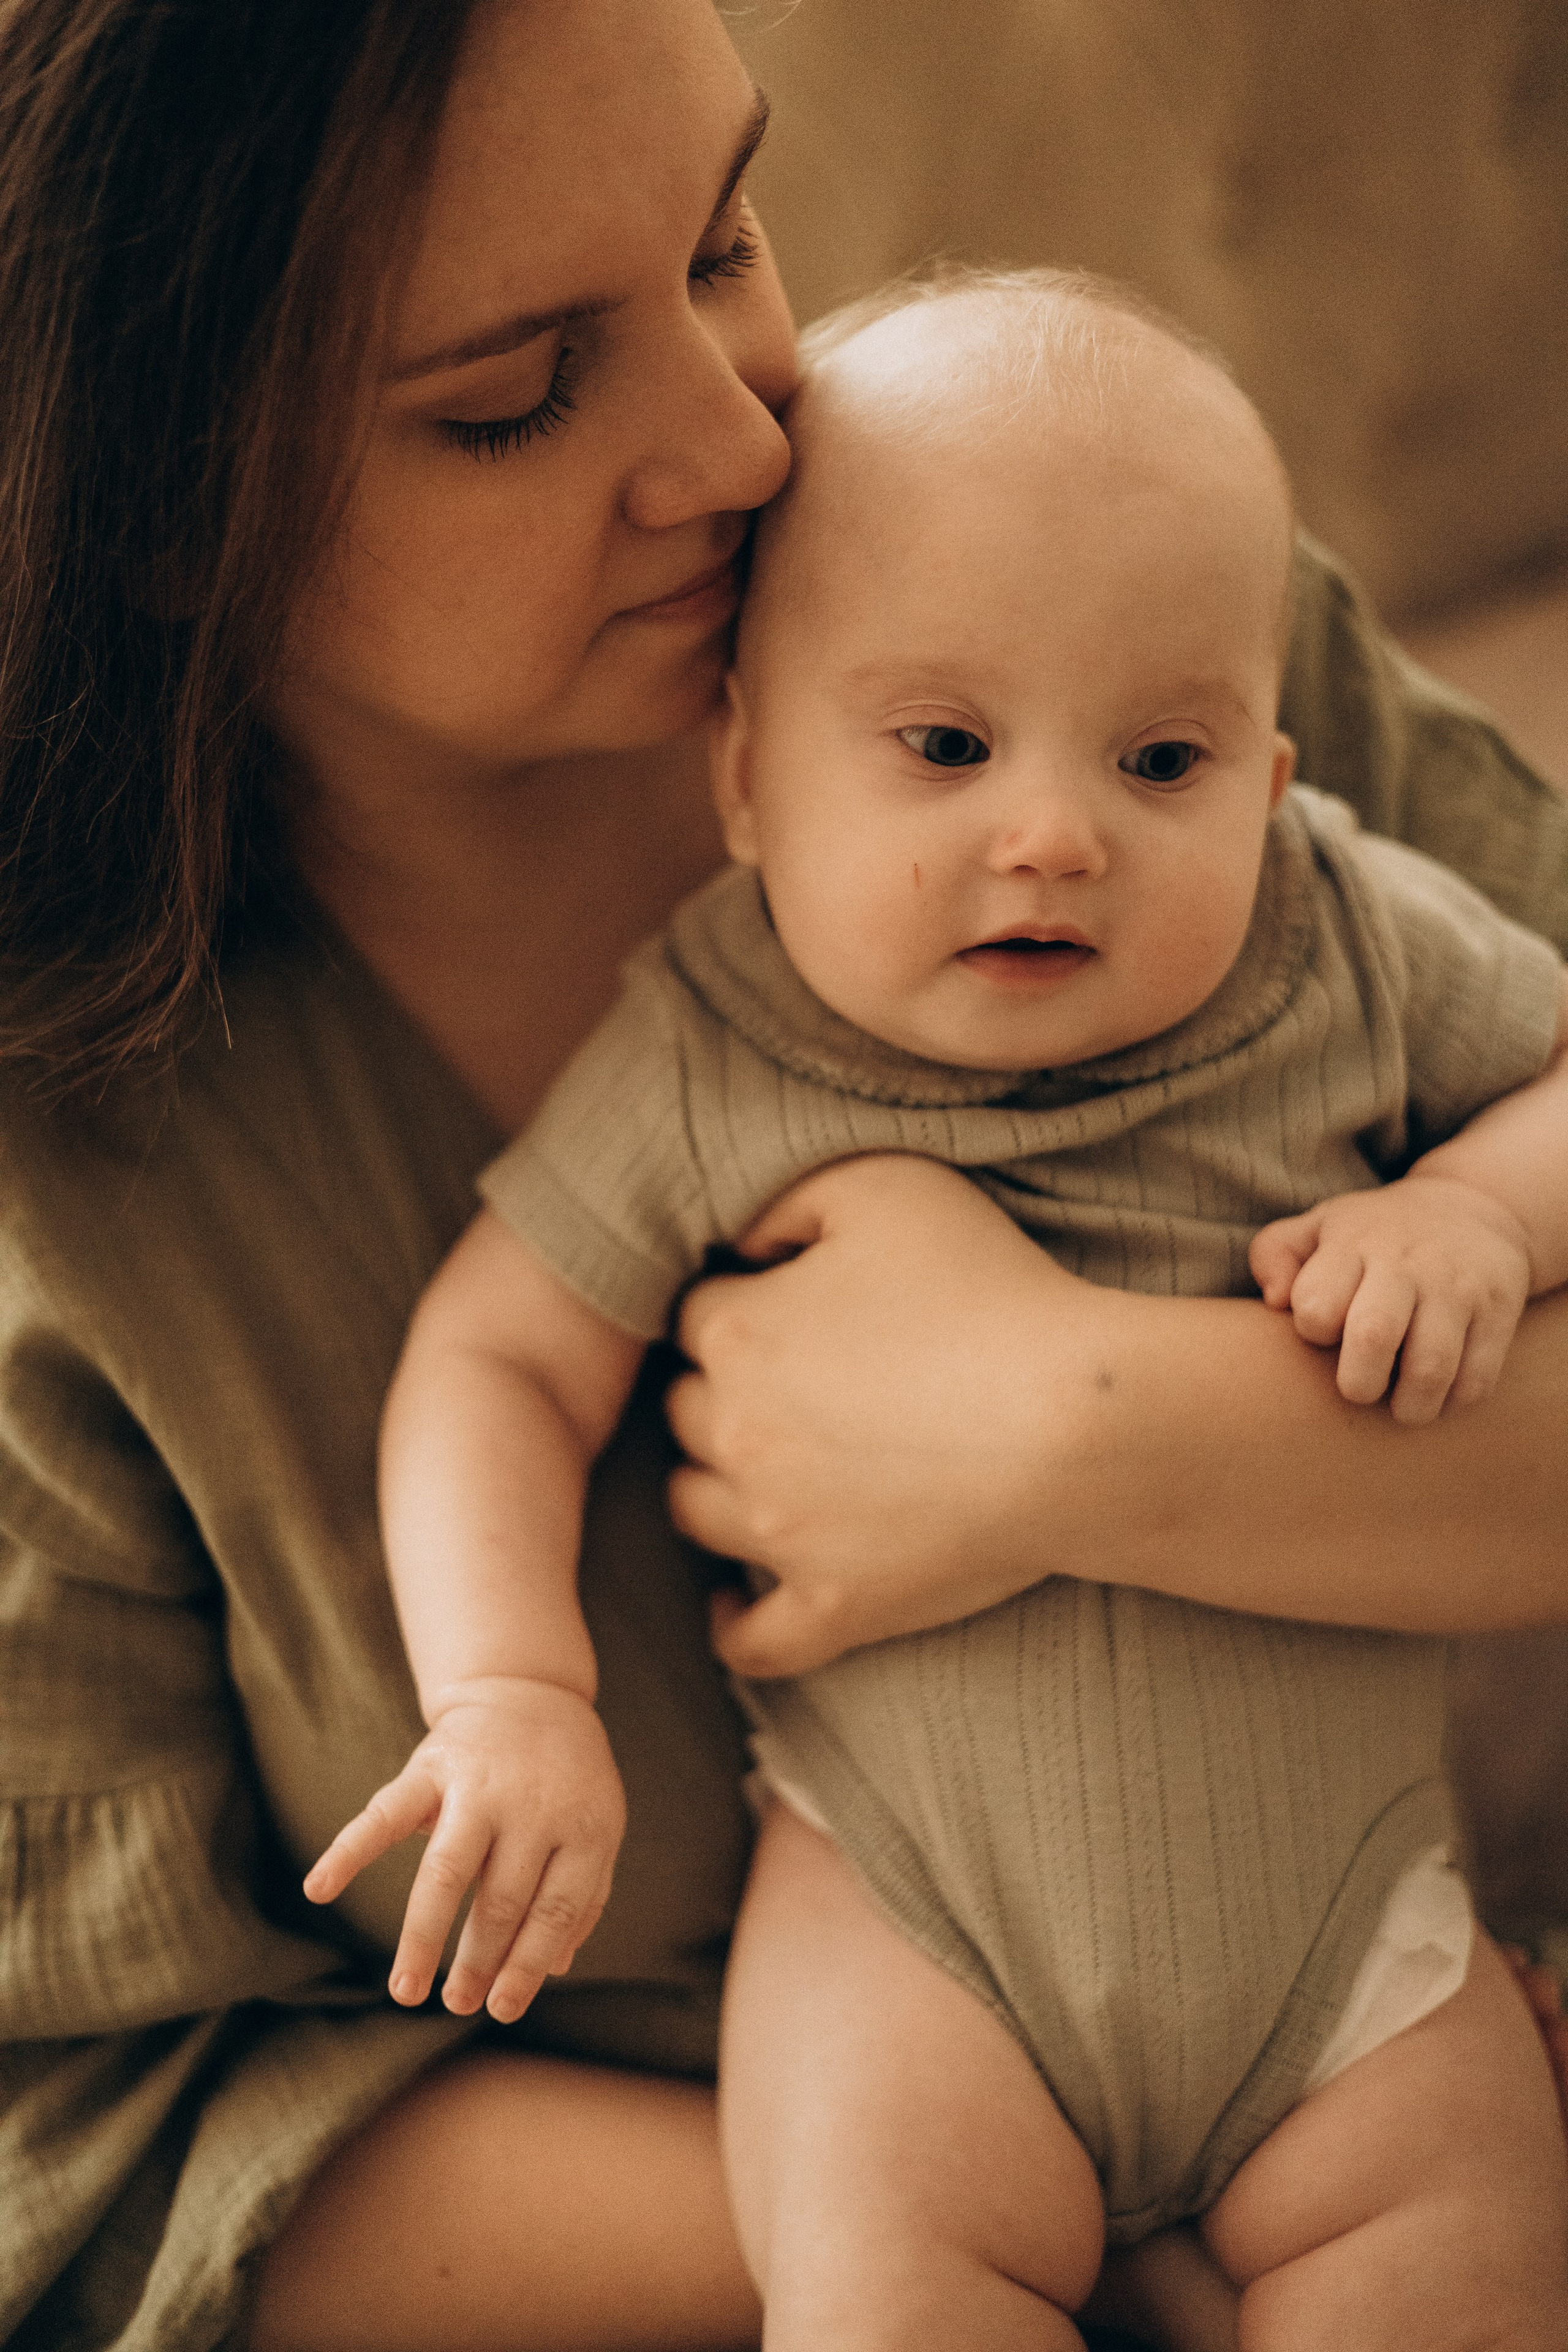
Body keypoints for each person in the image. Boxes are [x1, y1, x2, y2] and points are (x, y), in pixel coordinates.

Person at [1, 2, 1568, 2349]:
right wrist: (1021, 2200)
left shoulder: (1081, 553)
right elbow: (92, 2158)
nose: (745, 441)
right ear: (147, 502)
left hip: (1426, 1994)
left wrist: (1072, 1431)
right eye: (515, 394)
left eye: (730, 232)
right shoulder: (83, 1187)